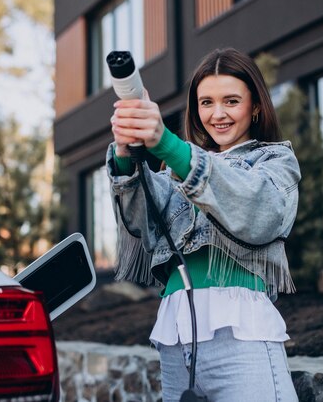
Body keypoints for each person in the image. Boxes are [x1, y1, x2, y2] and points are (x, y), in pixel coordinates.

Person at [106, 47, 300, 402]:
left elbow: (259, 210)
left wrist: (166, 144)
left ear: (255, 106)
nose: (218, 114)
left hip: (241, 332)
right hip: (175, 335)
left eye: (231, 101)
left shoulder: (274, 161)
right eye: (206, 102)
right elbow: (140, 222)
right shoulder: (175, 171)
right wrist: (124, 152)